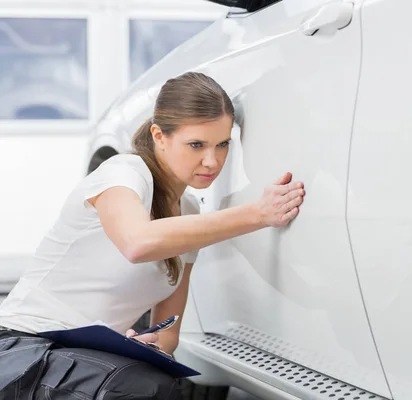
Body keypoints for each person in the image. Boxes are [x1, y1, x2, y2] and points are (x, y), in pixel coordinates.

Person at [0, 72, 305, 399]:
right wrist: (257, 213)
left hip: (82, 357)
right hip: (25, 349)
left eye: (223, 145)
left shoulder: (188, 212)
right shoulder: (124, 172)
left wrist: (148, 344)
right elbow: (137, 242)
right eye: (196, 145)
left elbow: (169, 331)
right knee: (142, 388)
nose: (212, 160)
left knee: (153, 380)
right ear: (160, 136)